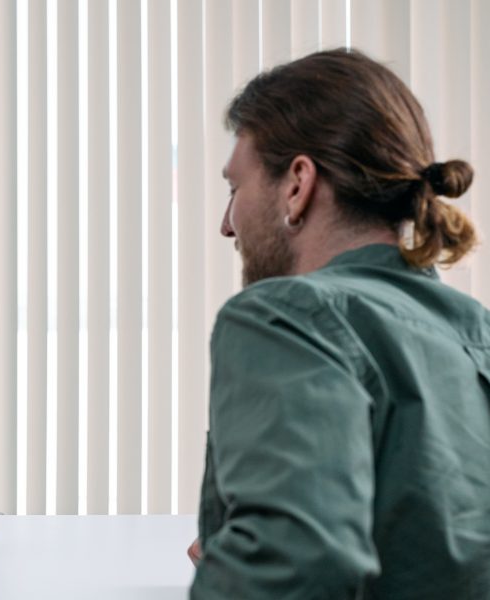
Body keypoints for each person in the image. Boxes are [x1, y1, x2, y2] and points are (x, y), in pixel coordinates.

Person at [190, 49, 490, 598]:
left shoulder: (283, 316)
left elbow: (293, 573)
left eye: (236, 188)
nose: (226, 225)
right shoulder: (475, 330)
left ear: (298, 183)